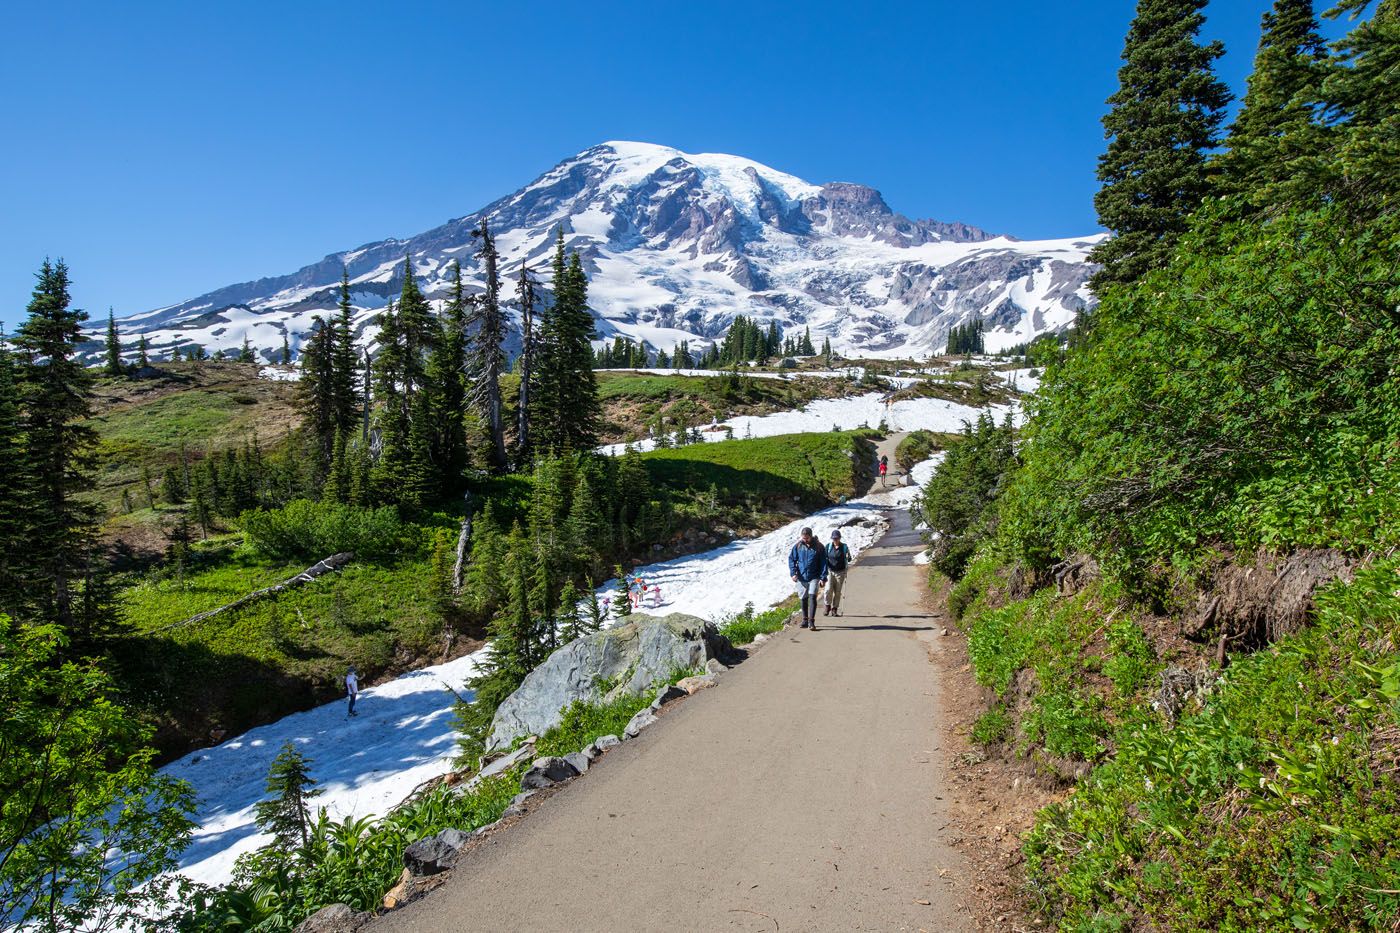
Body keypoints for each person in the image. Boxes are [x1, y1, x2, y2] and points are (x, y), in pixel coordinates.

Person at [788, 526, 828, 630]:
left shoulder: (819, 547)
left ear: (811, 536)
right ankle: (805, 620)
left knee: (812, 596)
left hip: (814, 576)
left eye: (807, 538)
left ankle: (811, 622)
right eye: (803, 538)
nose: (805, 540)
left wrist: (823, 577)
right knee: (803, 598)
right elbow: (792, 559)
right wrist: (793, 573)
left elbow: (824, 563)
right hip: (801, 577)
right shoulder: (798, 546)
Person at [824, 530, 852, 617]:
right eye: (834, 538)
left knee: (838, 591)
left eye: (837, 538)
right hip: (830, 571)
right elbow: (824, 558)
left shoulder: (844, 547)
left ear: (839, 538)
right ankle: (827, 606)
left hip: (841, 572)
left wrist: (848, 556)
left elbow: (849, 559)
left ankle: (834, 609)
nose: (835, 540)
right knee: (828, 589)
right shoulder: (828, 547)